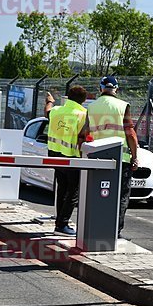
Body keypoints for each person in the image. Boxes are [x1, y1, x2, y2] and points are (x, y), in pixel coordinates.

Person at [80, 76, 138, 239]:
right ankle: (115, 232)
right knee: (121, 196)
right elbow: (130, 133)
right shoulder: (122, 106)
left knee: (99, 193)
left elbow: (85, 133)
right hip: (121, 158)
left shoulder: (91, 108)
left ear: (101, 88)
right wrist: (134, 156)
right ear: (116, 89)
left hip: (97, 157)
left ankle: (97, 228)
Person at [44, 86, 88, 236]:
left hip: (55, 155)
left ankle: (60, 223)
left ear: (68, 97)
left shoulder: (57, 110)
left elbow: (48, 111)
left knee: (62, 188)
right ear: (84, 100)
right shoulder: (83, 114)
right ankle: (62, 224)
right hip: (72, 157)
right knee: (73, 191)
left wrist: (50, 101)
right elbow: (83, 137)